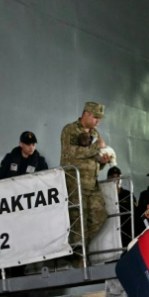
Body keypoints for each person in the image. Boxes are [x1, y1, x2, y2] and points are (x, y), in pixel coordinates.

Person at [60, 102, 111, 245]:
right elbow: (71, 153)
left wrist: (102, 161)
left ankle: (77, 249)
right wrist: (96, 148)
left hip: (92, 186)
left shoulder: (95, 134)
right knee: (78, 223)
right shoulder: (70, 130)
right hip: (75, 185)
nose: (98, 122)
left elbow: (94, 161)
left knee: (100, 217)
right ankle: (79, 260)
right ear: (86, 114)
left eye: (99, 119)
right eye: (96, 117)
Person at [107, 166, 137, 247]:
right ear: (108, 178)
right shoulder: (104, 196)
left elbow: (136, 215)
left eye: (117, 177)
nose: (115, 180)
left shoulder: (128, 195)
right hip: (109, 234)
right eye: (112, 177)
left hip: (127, 234)